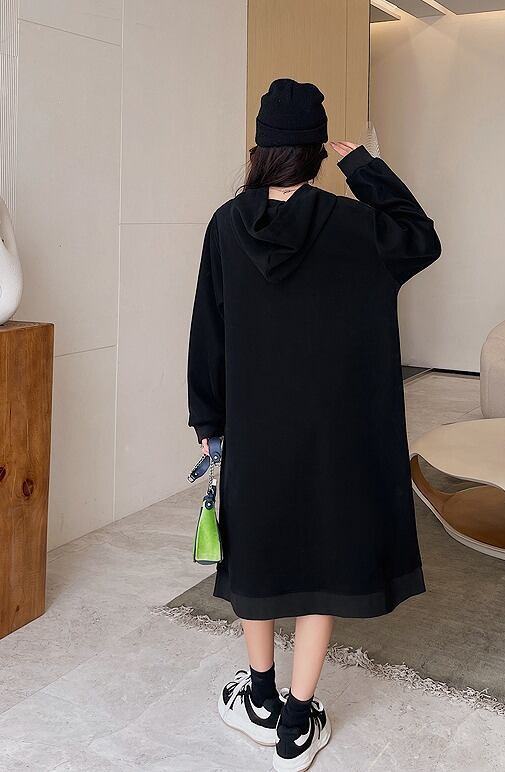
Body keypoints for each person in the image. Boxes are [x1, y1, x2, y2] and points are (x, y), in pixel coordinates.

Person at [187, 78, 441, 771]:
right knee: (320, 564)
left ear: (261, 148)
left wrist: (208, 417)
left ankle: (259, 696)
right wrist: (364, 166)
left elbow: (207, 327)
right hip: (335, 434)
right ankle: (297, 725)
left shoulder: (225, 225)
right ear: (316, 151)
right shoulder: (355, 226)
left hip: (256, 428)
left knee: (257, 553)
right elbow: (422, 238)